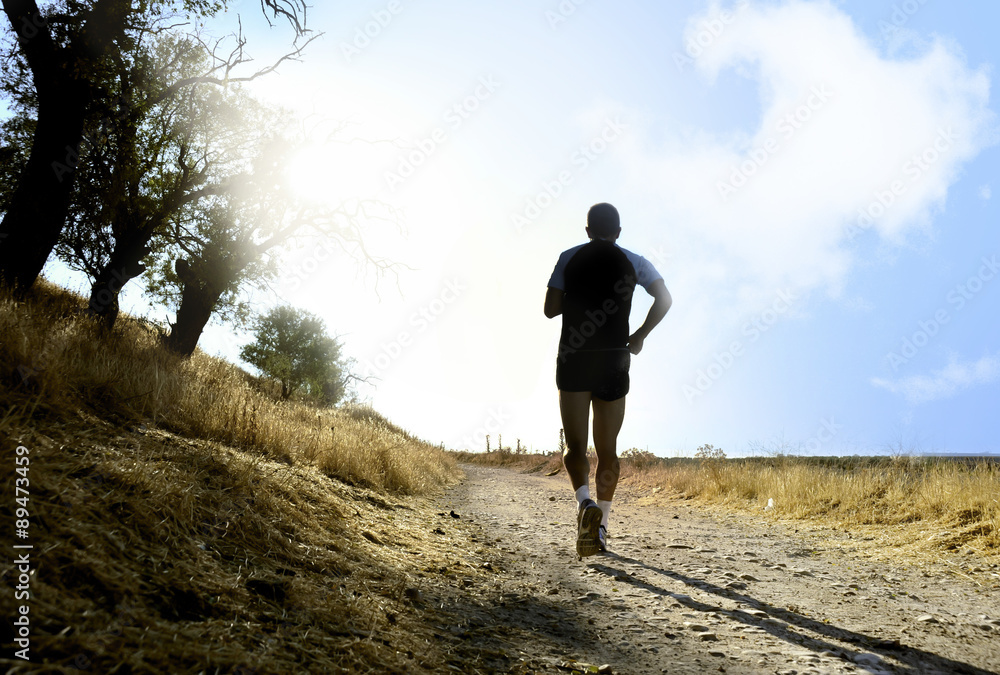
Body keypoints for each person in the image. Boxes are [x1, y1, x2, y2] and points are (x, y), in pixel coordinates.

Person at [544, 203, 671, 557]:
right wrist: (641, 334)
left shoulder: (569, 257)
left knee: (574, 446)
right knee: (608, 451)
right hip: (614, 359)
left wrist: (579, 297)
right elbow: (665, 298)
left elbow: (550, 308)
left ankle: (585, 504)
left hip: (574, 358)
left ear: (587, 230)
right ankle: (601, 528)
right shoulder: (636, 261)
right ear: (618, 231)